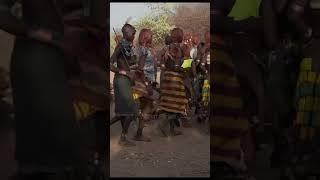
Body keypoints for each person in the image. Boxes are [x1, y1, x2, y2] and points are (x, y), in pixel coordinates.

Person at [110, 23, 138, 146]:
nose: (134, 36)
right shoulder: (120, 46)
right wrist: (123, 71)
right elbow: (110, 63)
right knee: (130, 110)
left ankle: (123, 137)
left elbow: (129, 61)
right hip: (121, 80)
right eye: (133, 34)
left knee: (124, 111)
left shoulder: (128, 47)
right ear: (127, 34)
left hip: (126, 80)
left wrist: (134, 61)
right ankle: (123, 138)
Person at [157, 27, 187, 136]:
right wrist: (184, 68)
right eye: (182, 34)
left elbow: (162, 63)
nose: (183, 36)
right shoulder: (177, 49)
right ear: (178, 36)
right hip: (175, 78)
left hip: (167, 77)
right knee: (177, 105)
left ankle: (172, 130)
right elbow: (176, 66)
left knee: (170, 105)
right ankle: (163, 125)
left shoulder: (167, 48)